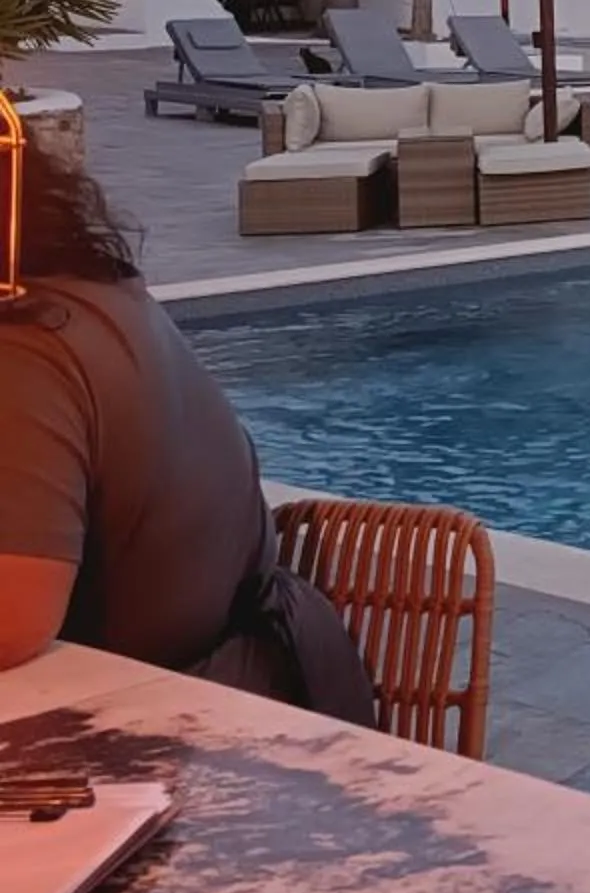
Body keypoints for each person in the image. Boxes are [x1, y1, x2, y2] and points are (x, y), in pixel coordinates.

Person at [0, 142, 374, 721]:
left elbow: (12, 619)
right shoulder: (82, 293)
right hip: (232, 680)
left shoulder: (23, 349)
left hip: (212, 726)